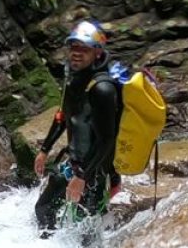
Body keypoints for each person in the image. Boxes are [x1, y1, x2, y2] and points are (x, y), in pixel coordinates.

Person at [31, 19, 123, 236]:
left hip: (94, 171)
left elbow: (106, 140)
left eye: (84, 49)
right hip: (74, 164)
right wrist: (44, 150)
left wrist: (82, 177)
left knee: (87, 231)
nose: (77, 53)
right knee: (43, 209)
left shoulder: (103, 89)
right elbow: (63, 116)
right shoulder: (74, 78)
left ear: (97, 53)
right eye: (74, 47)